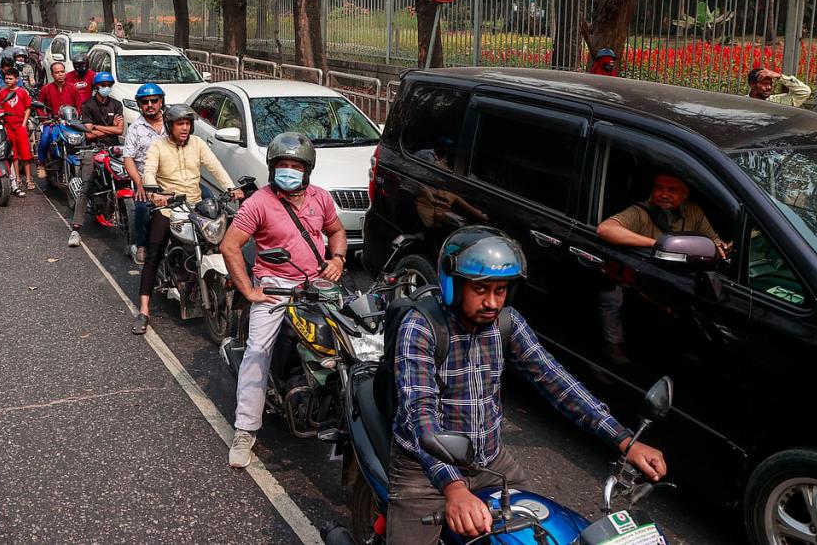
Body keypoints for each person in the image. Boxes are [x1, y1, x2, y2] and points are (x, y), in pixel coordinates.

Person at [386, 226, 667, 544]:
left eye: (501, 289)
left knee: (543, 535)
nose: (492, 302)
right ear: (454, 284)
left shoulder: (506, 322)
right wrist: (454, 488)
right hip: (424, 471)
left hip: (490, 460)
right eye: (481, 289)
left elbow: (555, 380)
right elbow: (419, 415)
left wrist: (624, 440)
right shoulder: (421, 327)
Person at [220, 132, 346, 468]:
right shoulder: (259, 202)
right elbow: (230, 246)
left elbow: (336, 232)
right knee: (257, 352)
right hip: (275, 285)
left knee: (353, 343)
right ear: (272, 167)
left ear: (307, 170)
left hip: (317, 283)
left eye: (295, 166)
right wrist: (249, 290)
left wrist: (338, 259)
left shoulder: (320, 198)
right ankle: (245, 428)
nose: (288, 171)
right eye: (282, 165)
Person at [595, 172, 728, 365]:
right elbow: (605, 230)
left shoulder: (693, 212)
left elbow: (713, 241)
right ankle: (613, 345)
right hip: (642, 281)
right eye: (659, 188)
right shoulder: (640, 212)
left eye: (672, 190)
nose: (664, 194)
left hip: (679, 281)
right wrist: (656, 243)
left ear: (685, 194)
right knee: (611, 297)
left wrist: (718, 247)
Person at [133, 105, 241, 335]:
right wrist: (156, 194)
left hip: (196, 205)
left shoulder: (198, 144)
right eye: (180, 124)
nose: (185, 128)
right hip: (169, 207)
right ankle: (144, 309)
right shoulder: (158, 147)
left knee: (220, 242)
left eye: (188, 124)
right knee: (154, 254)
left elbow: (215, 167)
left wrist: (231, 187)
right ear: (170, 126)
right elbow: (149, 171)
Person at [67, 72, 125, 247]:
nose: (106, 87)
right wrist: (110, 128)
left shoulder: (116, 104)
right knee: (87, 186)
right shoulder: (87, 105)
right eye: (103, 85)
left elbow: (119, 131)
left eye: (109, 84)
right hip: (91, 149)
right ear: (96, 87)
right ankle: (76, 229)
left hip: (113, 150)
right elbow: (89, 134)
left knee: (126, 179)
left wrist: (98, 128)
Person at [121, 83, 167, 265]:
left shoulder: (172, 122)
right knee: (141, 207)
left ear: (161, 101)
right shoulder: (135, 128)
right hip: (146, 180)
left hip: (172, 176)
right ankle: (141, 244)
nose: (150, 105)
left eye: (154, 101)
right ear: (139, 105)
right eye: (145, 101)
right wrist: (139, 183)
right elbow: (128, 158)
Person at [35, 61, 78, 176]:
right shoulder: (46, 89)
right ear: (52, 74)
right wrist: (45, 120)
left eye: (62, 71)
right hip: (52, 123)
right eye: (57, 72)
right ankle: (41, 163)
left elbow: (79, 106)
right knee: (44, 140)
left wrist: (76, 118)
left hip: (69, 123)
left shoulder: (72, 88)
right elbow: (39, 106)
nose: (60, 74)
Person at [0, 67, 33, 196]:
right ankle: (17, 179)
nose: (8, 80)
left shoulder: (22, 92)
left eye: (10, 78)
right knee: (14, 155)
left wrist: (24, 124)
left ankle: (28, 179)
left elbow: (28, 108)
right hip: (8, 127)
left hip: (20, 127)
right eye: (6, 78)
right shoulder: (2, 93)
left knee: (26, 154)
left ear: (16, 79)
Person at [746, 67, 811, 107]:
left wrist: (779, 76)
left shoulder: (778, 103)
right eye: (764, 84)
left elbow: (805, 92)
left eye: (770, 84)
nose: (769, 87)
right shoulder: (742, 103)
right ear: (752, 84)